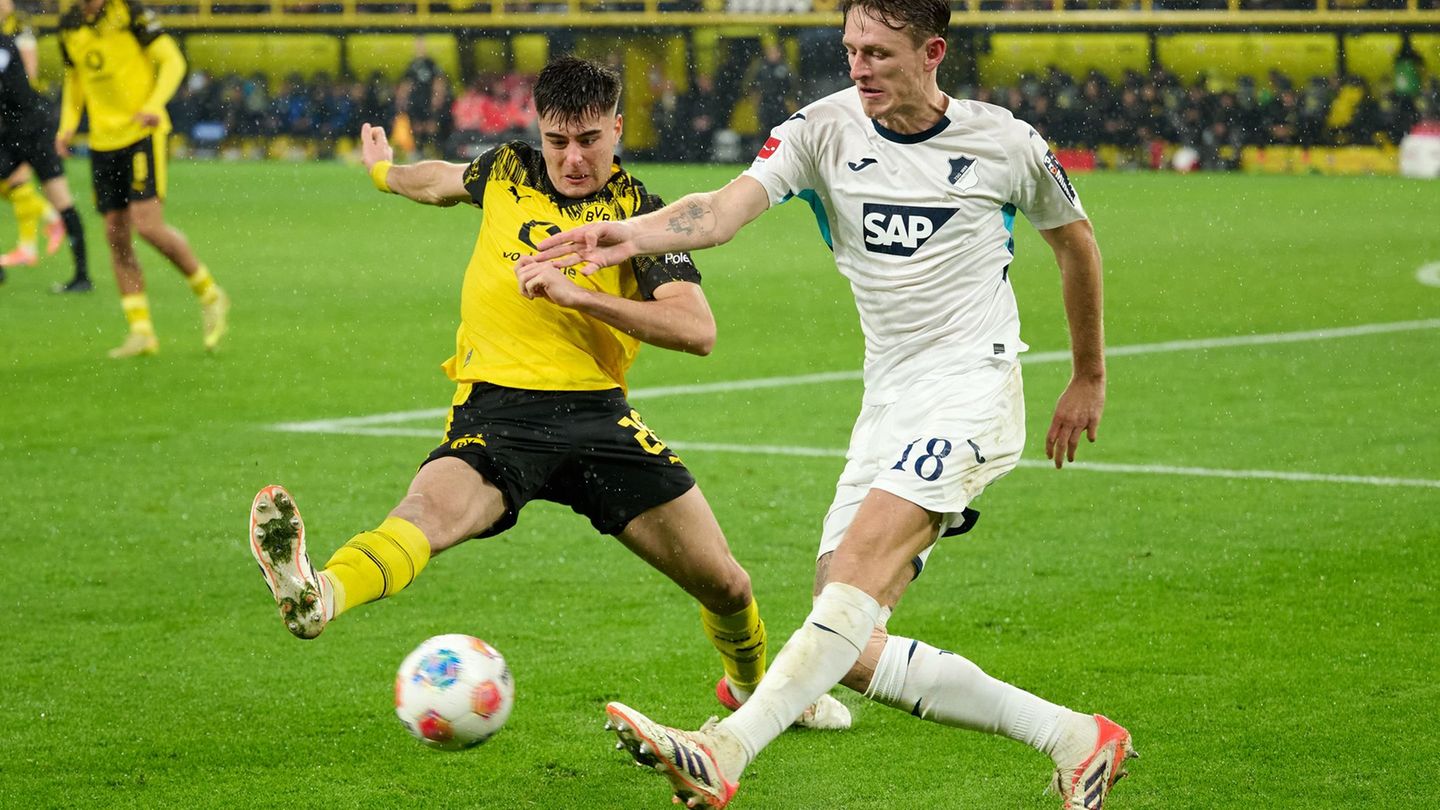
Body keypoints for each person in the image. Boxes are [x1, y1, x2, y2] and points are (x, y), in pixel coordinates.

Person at [524, 2, 1135, 808]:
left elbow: (1076, 241)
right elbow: (726, 207)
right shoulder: (821, 129)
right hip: (888, 397)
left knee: (850, 585)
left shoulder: (1004, 142)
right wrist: (630, 235)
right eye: (850, 49)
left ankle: (723, 750)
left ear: (933, 53)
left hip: (972, 387)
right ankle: (1075, 738)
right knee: (844, 642)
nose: (859, 66)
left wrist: (1087, 375)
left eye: (878, 53)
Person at [247, 56, 847, 732]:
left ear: (617, 128)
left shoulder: (639, 216)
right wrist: (385, 172)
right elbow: (440, 180)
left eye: (588, 140)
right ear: (539, 132)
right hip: (500, 411)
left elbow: (697, 328)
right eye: (557, 140)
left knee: (728, 585)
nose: (571, 158)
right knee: (424, 514)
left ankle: (753, 690)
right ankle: (319, 595)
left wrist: (580, 297)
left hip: (599, 418)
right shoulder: (507, 171)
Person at [56, 0, 229, 357]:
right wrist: (68, 125)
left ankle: (210, 294)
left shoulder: (130, 13)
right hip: (103, 143)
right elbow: (75, 80)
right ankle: (141, 332)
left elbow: (173, 60)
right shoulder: (70, 26)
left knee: (147, 225)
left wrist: (154, 104)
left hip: (141, 135)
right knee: (115, 234)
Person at [0, 0, 86, 292]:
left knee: (60, 197)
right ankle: (35, 237)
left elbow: (25, 77)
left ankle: (81, 275)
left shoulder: (16, 31)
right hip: (10, 129)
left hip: (34, 128)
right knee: (15, 186)